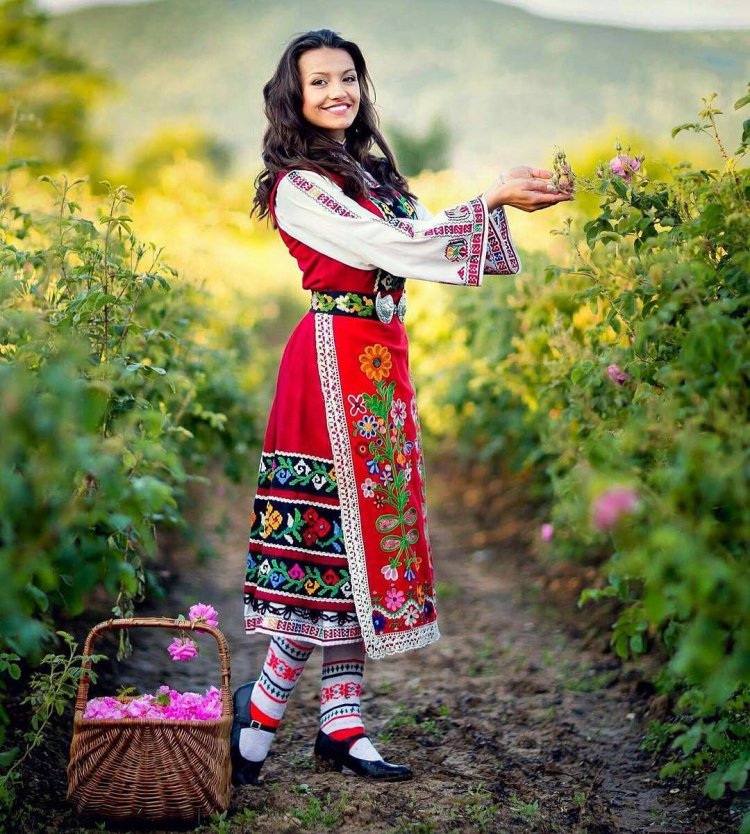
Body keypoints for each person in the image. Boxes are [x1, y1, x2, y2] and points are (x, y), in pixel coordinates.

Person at [232, 28, 572, 787]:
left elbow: (414, 234)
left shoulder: (372, 173)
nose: (336, 93)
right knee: (325, 546)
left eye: (347, 78)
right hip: (327, 363)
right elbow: (392, 245)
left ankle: (341, 722)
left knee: (366, 545)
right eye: (318, 82)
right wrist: (489, 200)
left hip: (380, 363)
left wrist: (496, 203)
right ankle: (260, 711)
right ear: (294, 96)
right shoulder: (300, 184)